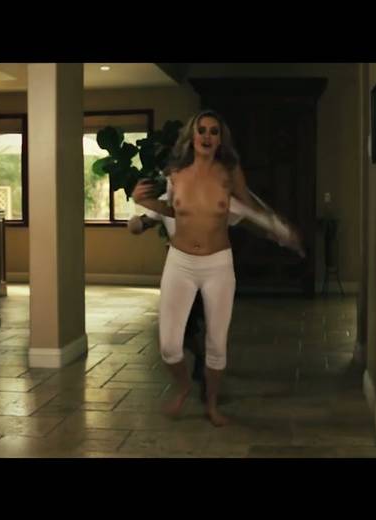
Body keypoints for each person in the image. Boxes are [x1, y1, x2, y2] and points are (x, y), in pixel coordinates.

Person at [132, 109, 303, 427]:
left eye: (214, 131)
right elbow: (171, 210)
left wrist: (278, 230)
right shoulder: (175, 173)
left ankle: (211, 404)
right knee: (169, 346)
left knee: (216, 344)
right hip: (180, 263)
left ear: (220, 139)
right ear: (192, 136)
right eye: (202, 130)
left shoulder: (229, 172)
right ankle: (184, 387)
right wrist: (143, 204)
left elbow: (249, 210)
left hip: (218, 265)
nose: (207, 136)